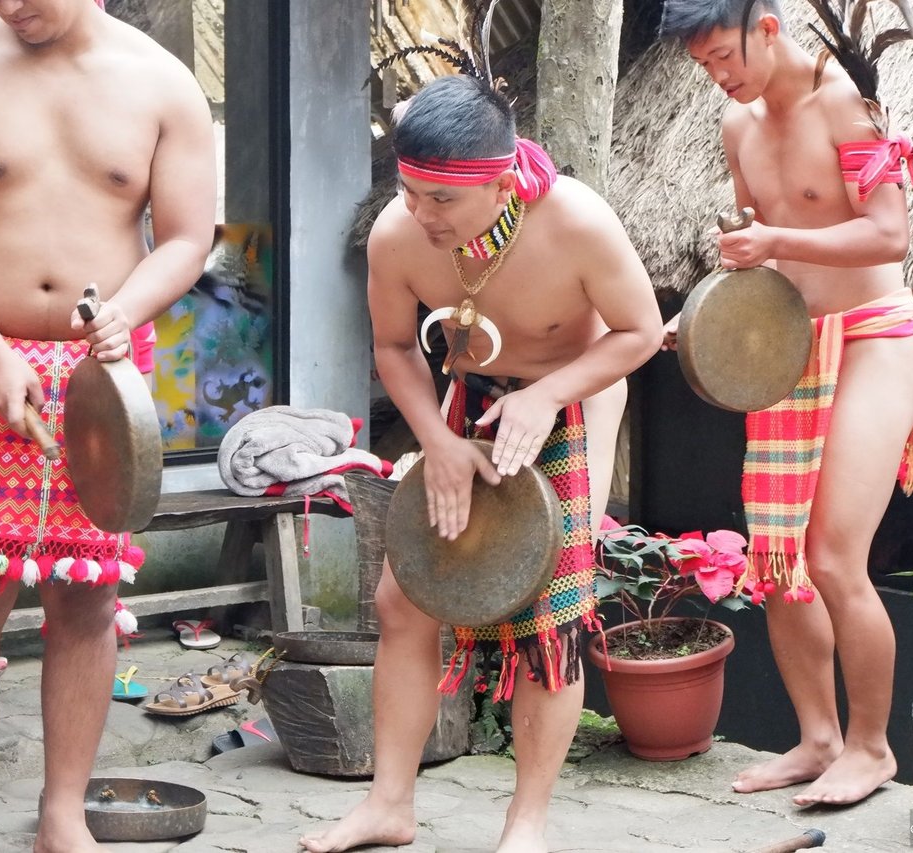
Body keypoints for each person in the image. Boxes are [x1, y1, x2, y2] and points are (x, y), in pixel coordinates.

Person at [299, 73, 662, 853]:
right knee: (405, 599)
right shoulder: (397, 235)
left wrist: (547, 395)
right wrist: (435, 439)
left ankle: (525, 825)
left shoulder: (575, 222)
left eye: (441, 199)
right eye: (409, 191)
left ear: (501, 184)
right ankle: (389, 804)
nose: (420, 213)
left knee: (549, 621)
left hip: (571, 396)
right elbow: (395, 347)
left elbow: (640, 331)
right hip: (463, 408)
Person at [0, 0, 215, 849]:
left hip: (105, 373)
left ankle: (63, 809)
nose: (10, 3)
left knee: (89, 593)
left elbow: (187, 236)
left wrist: (127, 311)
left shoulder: (163, 82)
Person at [660, 0, 913, 806]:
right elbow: (756, 250)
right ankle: (817, 738)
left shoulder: (847, 104)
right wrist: (703, 311)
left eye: (723, 55)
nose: (718, 75)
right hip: (787, 341)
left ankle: (872, 747)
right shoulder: (737, 127)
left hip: (875, 335)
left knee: (833, 557)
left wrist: (777, 243)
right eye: (704, 65)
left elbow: (890, 234)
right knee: (778, 559)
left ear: (768, 27)